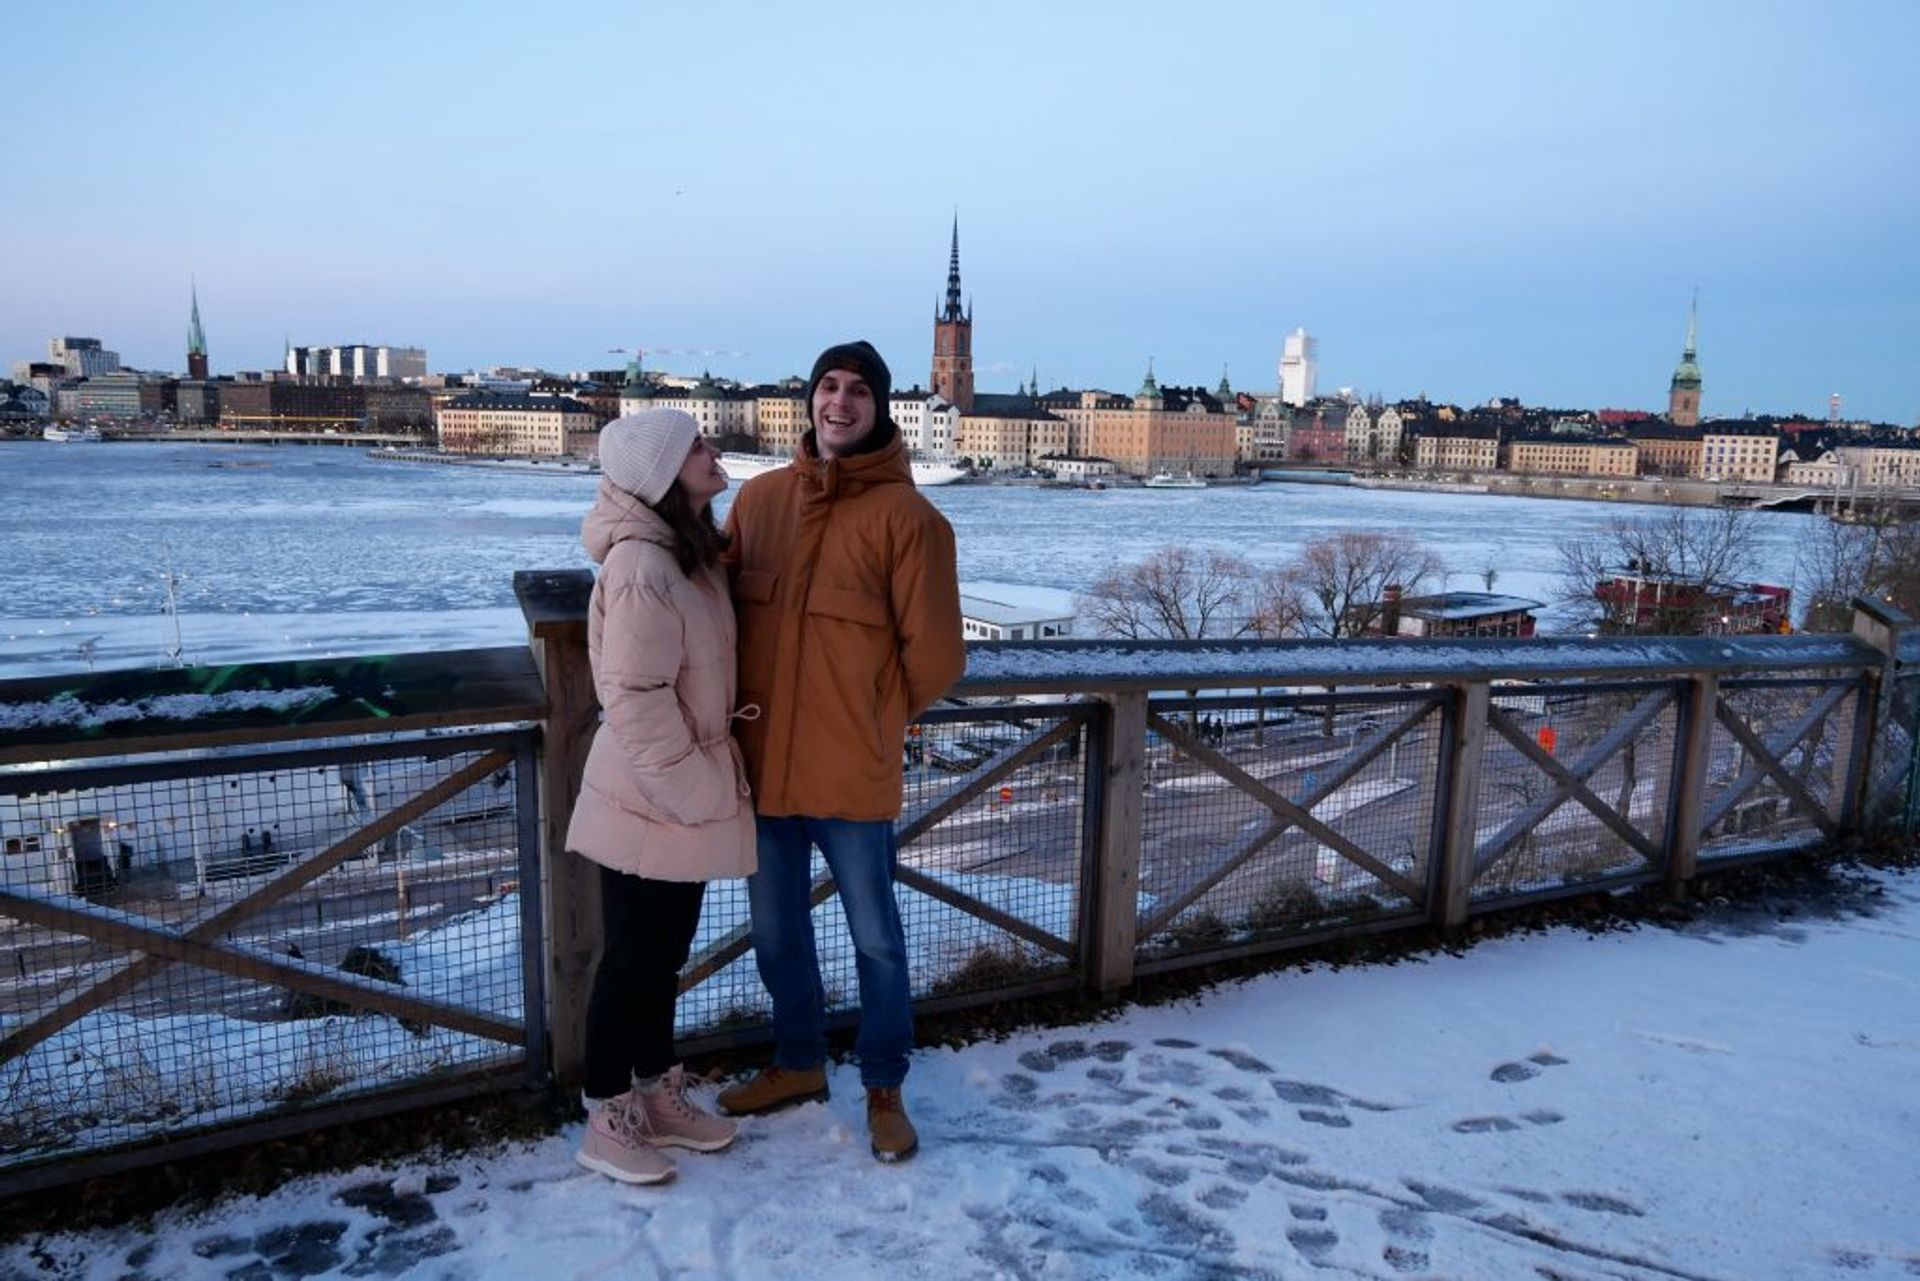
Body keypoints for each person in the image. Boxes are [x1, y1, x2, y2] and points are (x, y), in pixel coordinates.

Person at [717, 340, 965, 1163]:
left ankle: (885, 1083)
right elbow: (711, 605)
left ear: (879, 407)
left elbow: (935, 657)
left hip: (851, 769)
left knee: (877, 940)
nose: (840, 402)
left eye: (859, 391)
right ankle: (796, 1062)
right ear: (810, 399)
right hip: (763, 766)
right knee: (776, 933)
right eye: (828, 386)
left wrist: (872, 717)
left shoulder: (911, 520)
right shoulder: (758, 501)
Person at [564, 408, 757, 1186]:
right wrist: (694, 788)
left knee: (663, 956)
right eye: (697, 446)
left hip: (678, 792)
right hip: (653, 794)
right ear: (663, 472)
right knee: (633, 960)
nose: (713, 453)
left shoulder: (690, 552)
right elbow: (635, 697)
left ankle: (654, 1091)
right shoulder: (644, 565)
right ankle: (606, 1114)